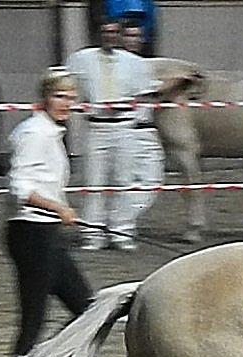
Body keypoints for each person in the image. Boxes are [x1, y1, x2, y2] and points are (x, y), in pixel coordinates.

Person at [5, 66, 93, 357]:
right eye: (59, 96)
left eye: (71, 98)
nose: (66, 103)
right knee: (33, 321)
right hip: (31, 234)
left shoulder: (52, 133)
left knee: (87, 310)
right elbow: (19, 188)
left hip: (48, 233)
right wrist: (58, 208)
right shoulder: (35, 133)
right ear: (44, 97)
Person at [65, 18, 149, 251]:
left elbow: (144, 95)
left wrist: (127, 107)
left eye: (114, 32)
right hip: (96, 127)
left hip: (124, 127)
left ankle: (122, 232)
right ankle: (93, 234)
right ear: (98, 34)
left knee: (123, 181)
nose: (109, 36)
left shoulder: (134, 63)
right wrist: (80, 106)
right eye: (105, 32)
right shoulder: (81, 59)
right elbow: (65, 84)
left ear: (120, 35)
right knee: (94, 183)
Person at [120, 19, 163, 231]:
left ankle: (122, 222)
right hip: (125, 128)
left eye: (137, 36)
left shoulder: (143, 64)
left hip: (146, 129)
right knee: (123, 182)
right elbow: (153, 92)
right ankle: (120, 226)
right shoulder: (119, 65)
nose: (134, 41)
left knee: (152, 182)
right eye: (129, 36)